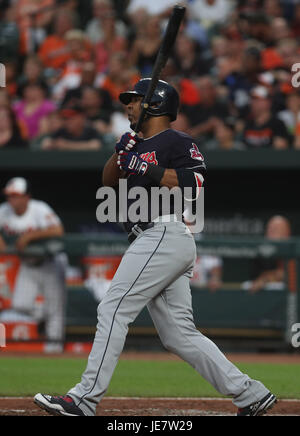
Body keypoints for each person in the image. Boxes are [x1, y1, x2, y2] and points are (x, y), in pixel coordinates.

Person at [34, 78, 276, 417]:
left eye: (134, 101)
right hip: (152, 240)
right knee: (178, 334)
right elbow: (108, 182)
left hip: (164, 232)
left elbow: (196, 182)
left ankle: (84, 399)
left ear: (156, 103)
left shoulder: (176, 140)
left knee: (113, 309)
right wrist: (121, 154)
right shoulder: (137, 144)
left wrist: (143, 164)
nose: (128, 106)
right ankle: (251, 393)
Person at [0, 177, 65, 348]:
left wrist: (29, 236)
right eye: (9, 195)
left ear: (26, 196)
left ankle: (54, 352)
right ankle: (44, 311)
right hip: (27, 265)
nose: (11, 199)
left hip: (50, 263)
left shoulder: (39, 208)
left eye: (16, 195)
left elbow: (58, 230)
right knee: (19, 305)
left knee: (56, 313)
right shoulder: (4, 210)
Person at [243, 215, 291, 293]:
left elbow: (289, 275)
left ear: (287, 232)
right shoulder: (260, 253)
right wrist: (268, 278)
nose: (272, 233)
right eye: (270, 229)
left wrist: (267, 278)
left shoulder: (295, 250)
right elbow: (254, 279)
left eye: (276, 230)